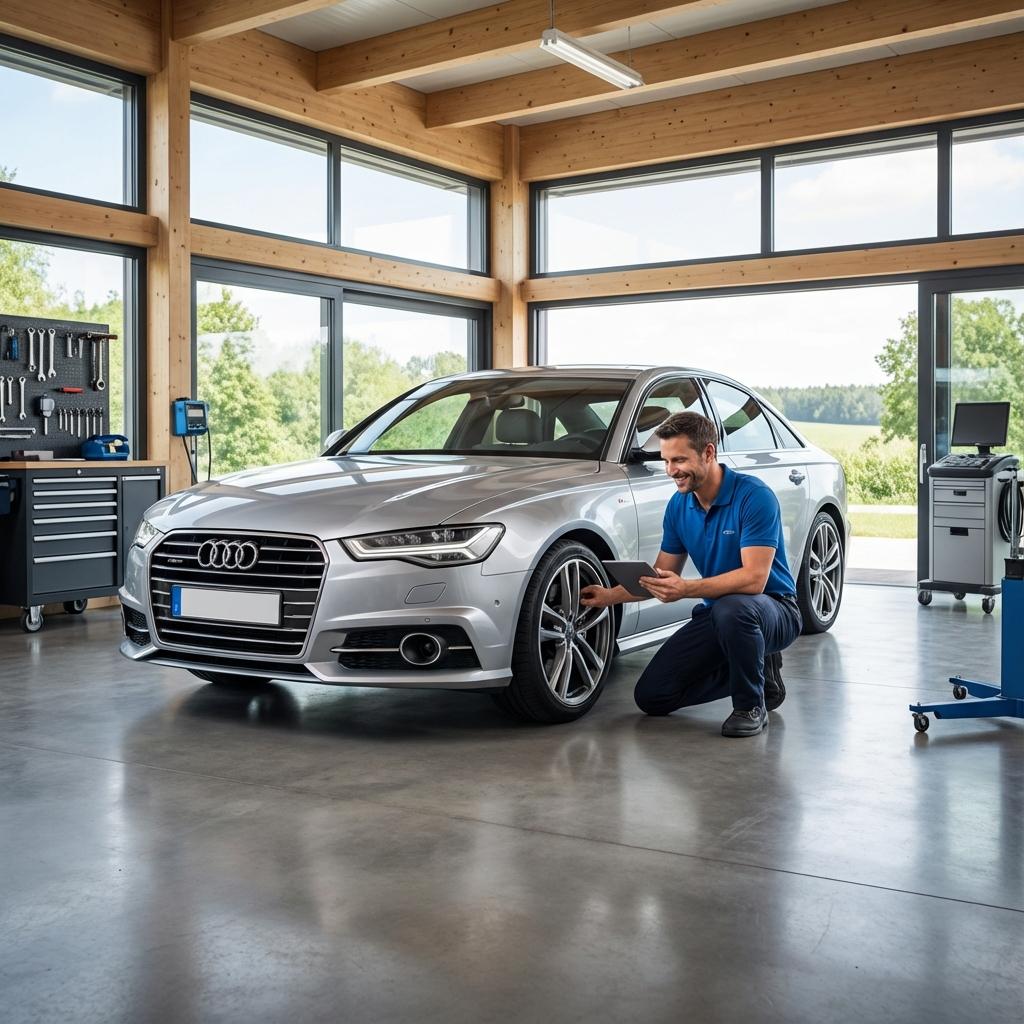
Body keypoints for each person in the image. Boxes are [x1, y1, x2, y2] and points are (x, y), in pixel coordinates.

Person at [580, 410, 802, 737]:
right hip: (720, 615)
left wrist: (686, 589)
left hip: (774, 609)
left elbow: (755, 580)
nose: (671, 471)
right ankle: (759, 667)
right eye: (667, 461)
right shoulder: (679, 506)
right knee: (653, 695)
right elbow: (662, 575)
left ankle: (751, 705)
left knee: (734, 607)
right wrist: (608, 595)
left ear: (709, 453)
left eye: (679, 460)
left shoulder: (754, 497)